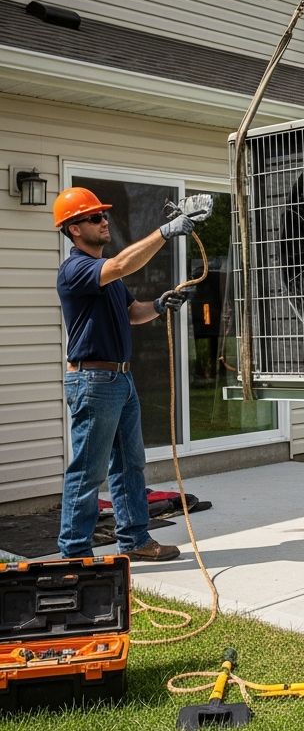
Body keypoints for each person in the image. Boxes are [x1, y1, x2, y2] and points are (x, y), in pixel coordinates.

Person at [53, 186, 213, 561]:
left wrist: (159, 304)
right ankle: (74, 554)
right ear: (74, 229)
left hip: (120, 380)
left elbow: (132, 313)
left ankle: (135, 540)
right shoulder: (76, 269)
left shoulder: (106, 276)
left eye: (104, 215)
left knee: (129, 466)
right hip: (93, 382)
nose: (104, 221)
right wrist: (167, 231)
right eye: (95, 217)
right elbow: (122, 264)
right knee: (88, 472)